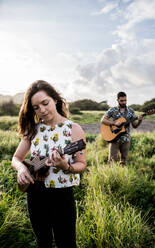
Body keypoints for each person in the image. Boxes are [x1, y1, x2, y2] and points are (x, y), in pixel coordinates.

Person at [11, 80, 86, 248]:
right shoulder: (33, 130)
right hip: (36, 194)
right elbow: (16, 158)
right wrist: (22, 168)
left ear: (55, 100)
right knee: (42, 241)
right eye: (36, 107)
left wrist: (65, 166)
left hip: (63, 195)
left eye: (45, 103)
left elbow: (81, 164)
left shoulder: (74, 129)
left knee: (66, 243)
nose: (42, 110)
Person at [101, 91, 143, 165]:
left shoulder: (130, 111)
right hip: (114, 138)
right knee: (111, 160)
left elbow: (135, 125)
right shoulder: (112, 110)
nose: (124, 102)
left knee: (124, 161)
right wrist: (114, 123)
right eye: (122, 100)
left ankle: (122, 175)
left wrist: (139, 121)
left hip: (126, 138)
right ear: (117, 100)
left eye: (125, 100)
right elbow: (103, 120)